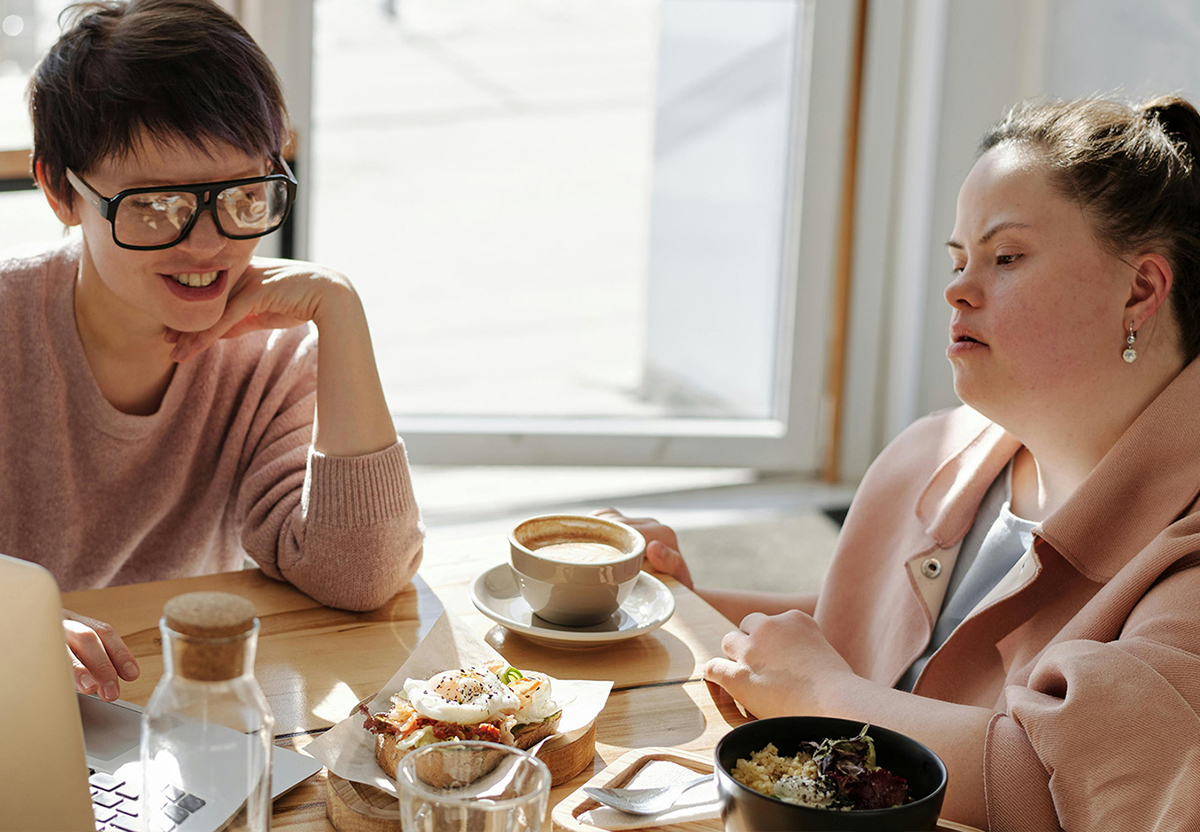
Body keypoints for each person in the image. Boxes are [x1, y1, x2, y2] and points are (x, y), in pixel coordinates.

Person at [603, 94, 1200, 830]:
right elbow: (866, 643)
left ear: (1140, 289)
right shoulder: (934, 454)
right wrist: (684, 601)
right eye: (958, 261)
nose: (956, 288)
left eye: (1005, 257)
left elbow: (1067, 781)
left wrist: (822, 693)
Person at [1, 0, 423, 703]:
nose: (208, 243)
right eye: (156, 205)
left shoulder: (272, 354)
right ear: (59, 190)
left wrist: (339, 311)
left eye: (242, 195)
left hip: (177, 722)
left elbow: (361, 577)